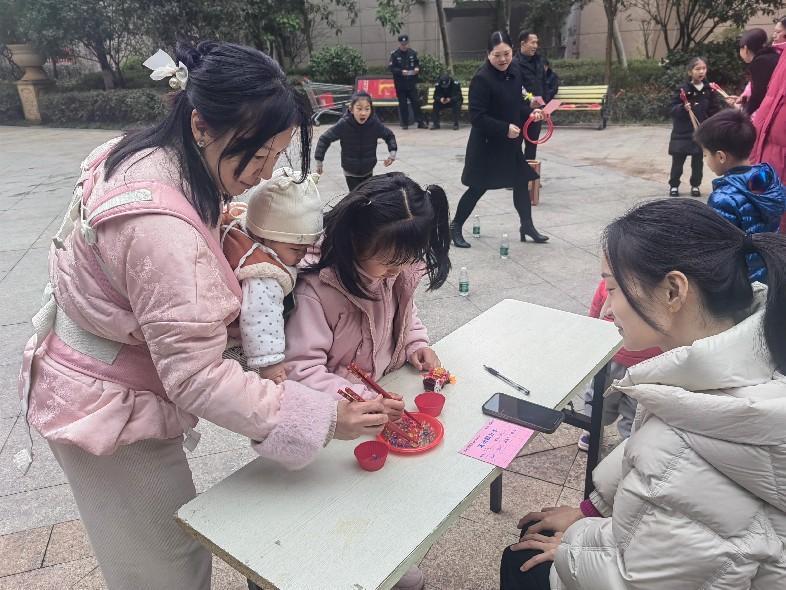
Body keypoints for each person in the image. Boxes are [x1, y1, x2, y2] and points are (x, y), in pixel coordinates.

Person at [18, 41, 392, 590]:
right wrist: (325, 418)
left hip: (98, 370)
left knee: (159, 551)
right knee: (165, 567)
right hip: (104, 405)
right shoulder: (160, 231)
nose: (263, 174)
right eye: (256, 157)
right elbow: (197, 377)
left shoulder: (152, 152)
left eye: (275, 157)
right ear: (200, 123)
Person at [500, 198, 786, 589]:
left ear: (673, 291)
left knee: (520, 560)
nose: (606, 309)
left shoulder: (690, 443)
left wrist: (572, 545)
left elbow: (635, 578)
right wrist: (591, 511)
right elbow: (654, 472)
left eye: (612, 288)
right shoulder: (740, 354)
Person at [283, 172, 451, 590]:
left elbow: (405, 312)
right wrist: (360, 397)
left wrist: (416, 343)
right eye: (389, 262)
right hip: (332, 422)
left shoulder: (395, 270)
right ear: (355, 240)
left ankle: (387, 561)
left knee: (384, 497)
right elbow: (300, 371)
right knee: (337, 505)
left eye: (405, 261)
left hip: (373, 408)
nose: (396, 271)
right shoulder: (316, 290)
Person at [220, 167, 323, 385]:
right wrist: (270, 365)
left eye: (307, 247)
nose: (303, 254)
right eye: (296, 249)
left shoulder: (243, 228)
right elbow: (261, 318)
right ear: (264, 237)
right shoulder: (264, 274)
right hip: (233, 343)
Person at [451, 30, 547, 249]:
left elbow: (516, 104)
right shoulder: (481, 79)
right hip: (486, 145)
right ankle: (455, 226)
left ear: (512, 51)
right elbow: (476, 117)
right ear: (488, 54)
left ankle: (527, 226)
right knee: (478, 187)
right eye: (497, 55)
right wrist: (504, 129)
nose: (503, 59)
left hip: (509, 143)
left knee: (521, 182)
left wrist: (530, 111)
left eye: (507, 54)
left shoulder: (515, 71)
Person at [694, 109, 785, 282]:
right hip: (771, 269)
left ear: (721, 156)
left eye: (705, 154)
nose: (705, 161)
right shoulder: (768, 178)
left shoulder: (723, 198)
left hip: (743, 279)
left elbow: (718, 248)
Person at [576, 279, 661, 452]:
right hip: (612, 356)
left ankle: (628, 444)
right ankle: (592, 427)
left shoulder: (658, 286)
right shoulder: (608, 282)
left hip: (649, 364)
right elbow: (596, 311)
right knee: (600, 398)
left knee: (637, 408)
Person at [314, 91, 397, 191]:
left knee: (366, 195)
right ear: (351, 109)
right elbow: (324, 139)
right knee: (356, 195)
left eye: (367, 109)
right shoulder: (344, 124)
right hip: (350, 171)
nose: (363, 113)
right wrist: (319, 161)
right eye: (359, 108)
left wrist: (392, 154)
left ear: (371, 110)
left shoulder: (374, 124)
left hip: (368, 169)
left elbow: (389, 135)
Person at [750, 16, 786, 232]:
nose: (775, 36)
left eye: (778, 31)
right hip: (769, 159)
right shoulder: (780, 58)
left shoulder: (766, 60)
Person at [667, 57, 721, 197]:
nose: (701, 71)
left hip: (700, 132)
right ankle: (674, 185)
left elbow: (714, 110)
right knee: (678, 161)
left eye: (704, 68)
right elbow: (671, 109)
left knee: (697, 161)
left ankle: (695, 185)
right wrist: (682, 108)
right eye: (698, 69)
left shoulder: (709, 90)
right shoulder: (682, 89)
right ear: (690, 72)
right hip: (682, 133)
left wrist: (713, 124)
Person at [725, 28, 779, 116]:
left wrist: (744, 114)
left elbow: (758, 96)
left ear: (745, 48)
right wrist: (744, 100)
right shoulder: (774, 55)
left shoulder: (759, 62)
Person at [516, 31, 552, 160]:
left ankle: (530, 172)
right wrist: (528, 102)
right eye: (533, 42)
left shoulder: (539, 61)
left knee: (532, 146)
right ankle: (517, 171)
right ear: (523, 43)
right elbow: (515, 89)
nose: (536, 46)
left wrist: (545, 105)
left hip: (537, 112)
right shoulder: (514, 63)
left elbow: (544, 84)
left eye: (537, 43)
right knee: (515, 147)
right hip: (520, 112)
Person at [389, 34, 427, 130]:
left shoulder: (412, 53)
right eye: (402, 44)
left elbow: (417, 63)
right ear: (399, 43)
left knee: (416, 102)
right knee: (403, 104)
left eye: (405, 44)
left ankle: (420, 122)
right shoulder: (394, 54)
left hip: (411, 83)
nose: (404, 46)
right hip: (400, 84)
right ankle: (405, 123)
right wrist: (401, 72)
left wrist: (417, 68)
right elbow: (392, 68)